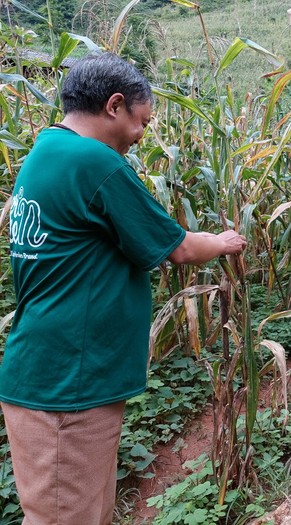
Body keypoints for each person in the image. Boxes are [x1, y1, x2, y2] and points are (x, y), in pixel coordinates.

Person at [0, 52, 246, 524]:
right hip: (67, 384)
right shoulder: (94, 161)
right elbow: (176, 248)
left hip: (54, 374)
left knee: (83, 512)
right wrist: (219, 241)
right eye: (142, 123)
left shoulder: (47, 149)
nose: (140, 136)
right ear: (115, 106)